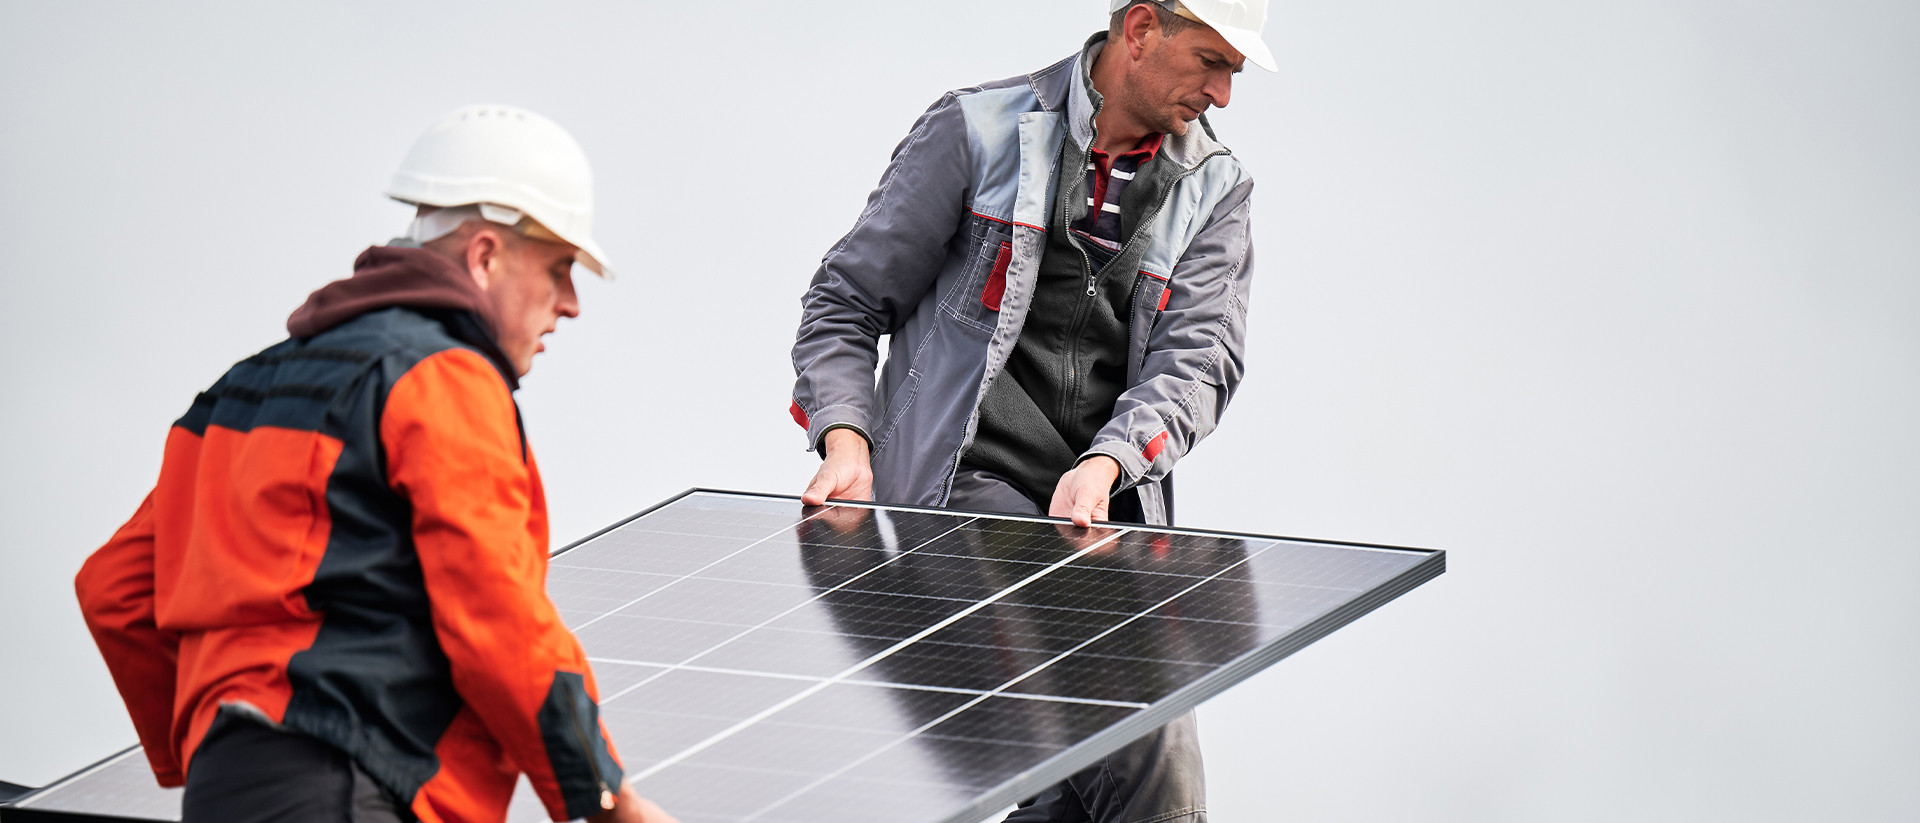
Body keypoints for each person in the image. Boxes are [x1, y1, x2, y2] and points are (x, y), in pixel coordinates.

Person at [74, 105, 674, 823]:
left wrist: (220, 739)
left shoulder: (236, 395)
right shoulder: (442, 378)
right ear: (484, 257)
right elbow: (496, 610)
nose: (570, 304)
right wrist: (604, 795)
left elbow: (114, 589)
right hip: (354, 792)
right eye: (559, 268)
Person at [788, 1, 1273, 820]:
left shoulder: (1214, 190)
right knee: (1076, 716)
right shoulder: (976, 131)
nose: (1224, 94)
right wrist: (846, 438)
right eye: (1211, 61)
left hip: (1094, 517)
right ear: (1142, 30)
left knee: (1140, 762)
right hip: (962, 492)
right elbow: (843, 302)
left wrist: (1107, 462)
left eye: (1235, 71)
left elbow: (1199, 363)